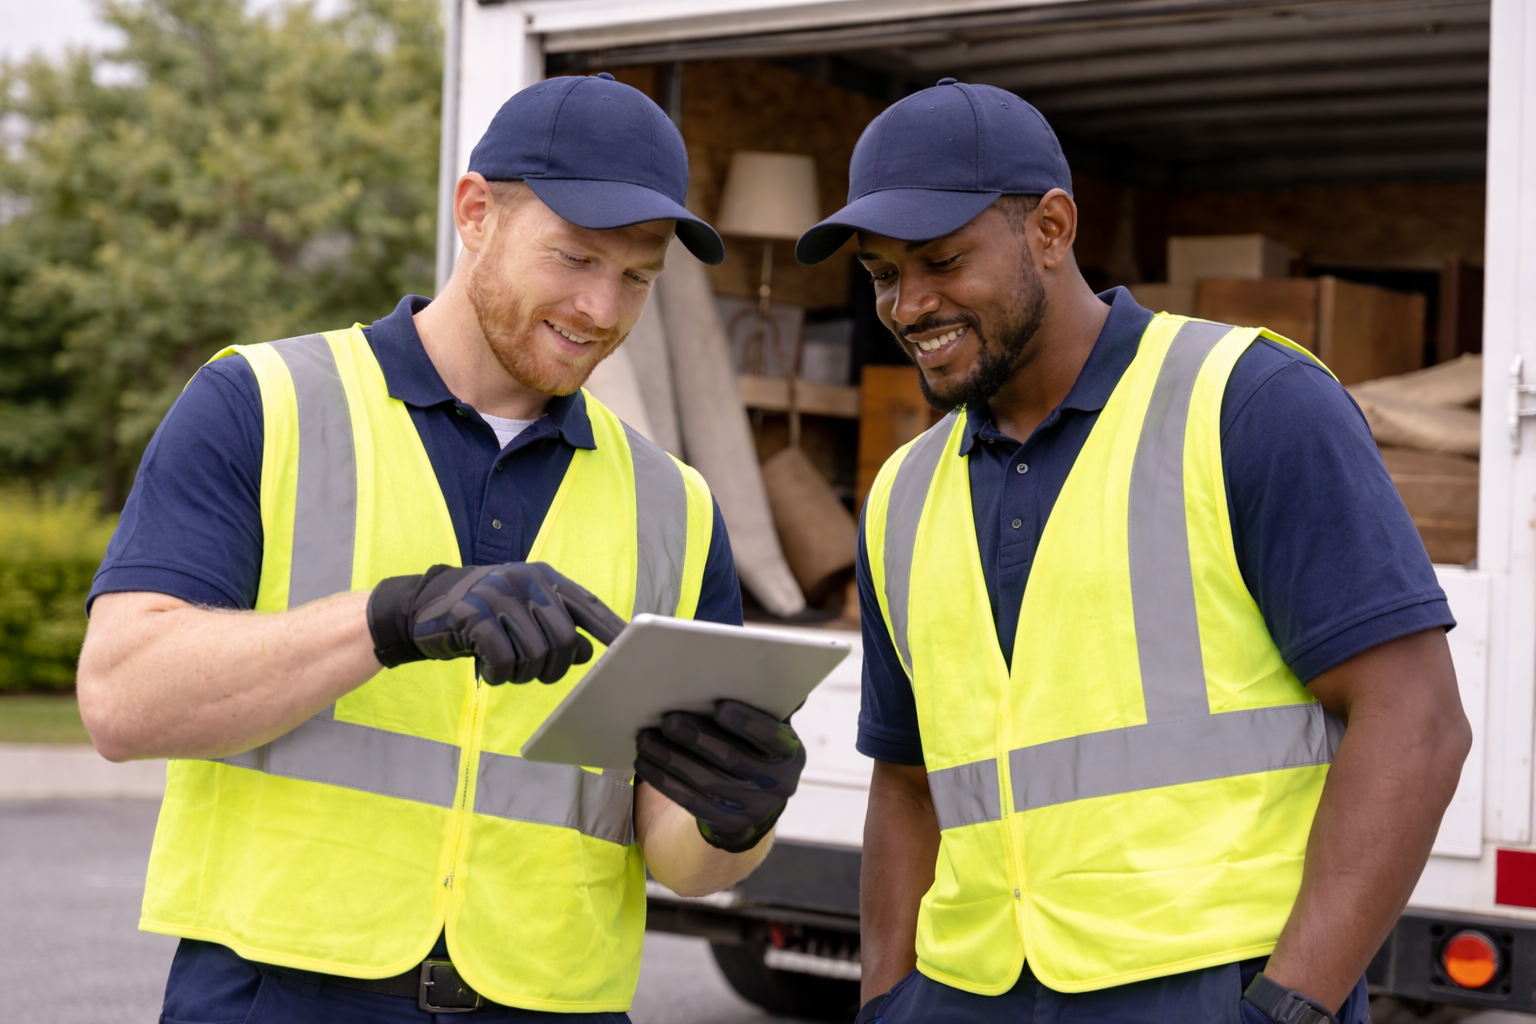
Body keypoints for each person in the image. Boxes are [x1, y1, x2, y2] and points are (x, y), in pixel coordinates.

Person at [76, 73, 805, 1023]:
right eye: (574, 258)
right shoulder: (260, 404)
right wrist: (390, 620)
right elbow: (122, 701)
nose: (600, 308)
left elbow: (678, 856)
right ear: (475, 213)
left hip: (549, 1004)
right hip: (278, 995)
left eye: (638, 277)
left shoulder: (676, 505)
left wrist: (738, 817)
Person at [795, 78, 1471, 1024]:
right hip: (965, 994)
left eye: (942, 260)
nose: (910, 304)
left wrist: (1290, 1009)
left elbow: (1417, 721)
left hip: (1211, 993)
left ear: (1053, 228)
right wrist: (887, 1002)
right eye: (880, 275)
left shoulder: (1249, 402)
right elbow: (907, 783)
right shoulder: (902, 493)